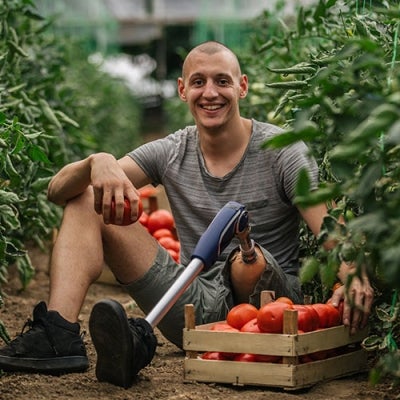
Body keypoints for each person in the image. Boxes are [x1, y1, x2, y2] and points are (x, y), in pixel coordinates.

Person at [0, 41, 374, 387]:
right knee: (84, 198)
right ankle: (57, 336)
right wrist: (97, 163)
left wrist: (352, 275)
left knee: (249, 259)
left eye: (221, 81)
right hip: (191, 302)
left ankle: (233, 272)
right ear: (182, 90)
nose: (210, 92)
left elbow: (329, 228)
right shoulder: (172, 150)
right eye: (198, 82)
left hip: (268, 310)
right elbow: (57, 190)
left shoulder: (283, 151)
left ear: (242, 87)